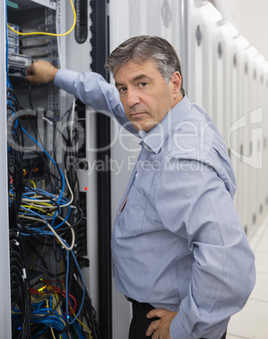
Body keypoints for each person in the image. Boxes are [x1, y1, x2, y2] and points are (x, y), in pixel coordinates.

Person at [26, 35, 256, 339]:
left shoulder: (183, 162)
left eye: (142, 83)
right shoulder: (173, 118)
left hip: (165, 320)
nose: (129, 99)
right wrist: (56, 75)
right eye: (124, 87)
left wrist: (183, 327)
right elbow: (110, 98)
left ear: (174, 83)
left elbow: (231, 269)